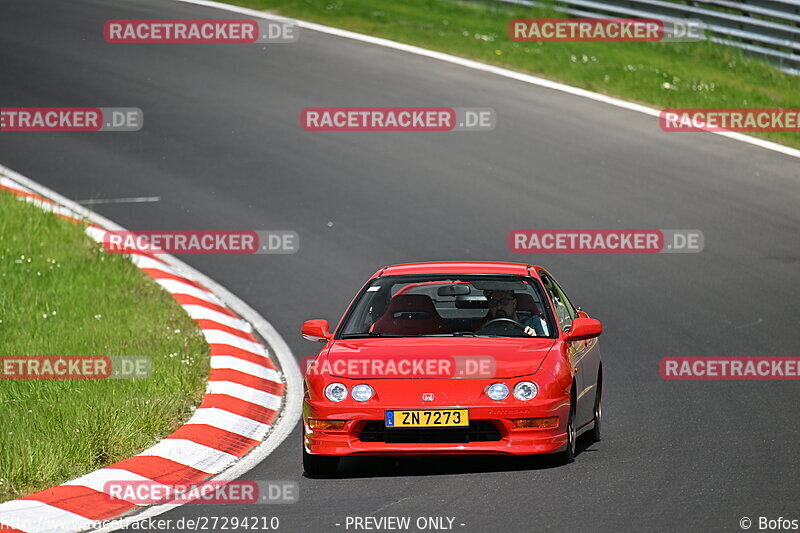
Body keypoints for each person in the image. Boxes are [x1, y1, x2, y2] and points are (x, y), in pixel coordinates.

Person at [475, 289, 547, 336]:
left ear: (514, 303)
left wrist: (535, 337)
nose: (499, 307)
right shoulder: (485, 327)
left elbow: (547, 343)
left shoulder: (533, 322)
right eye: (494, 303)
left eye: (504, 302)